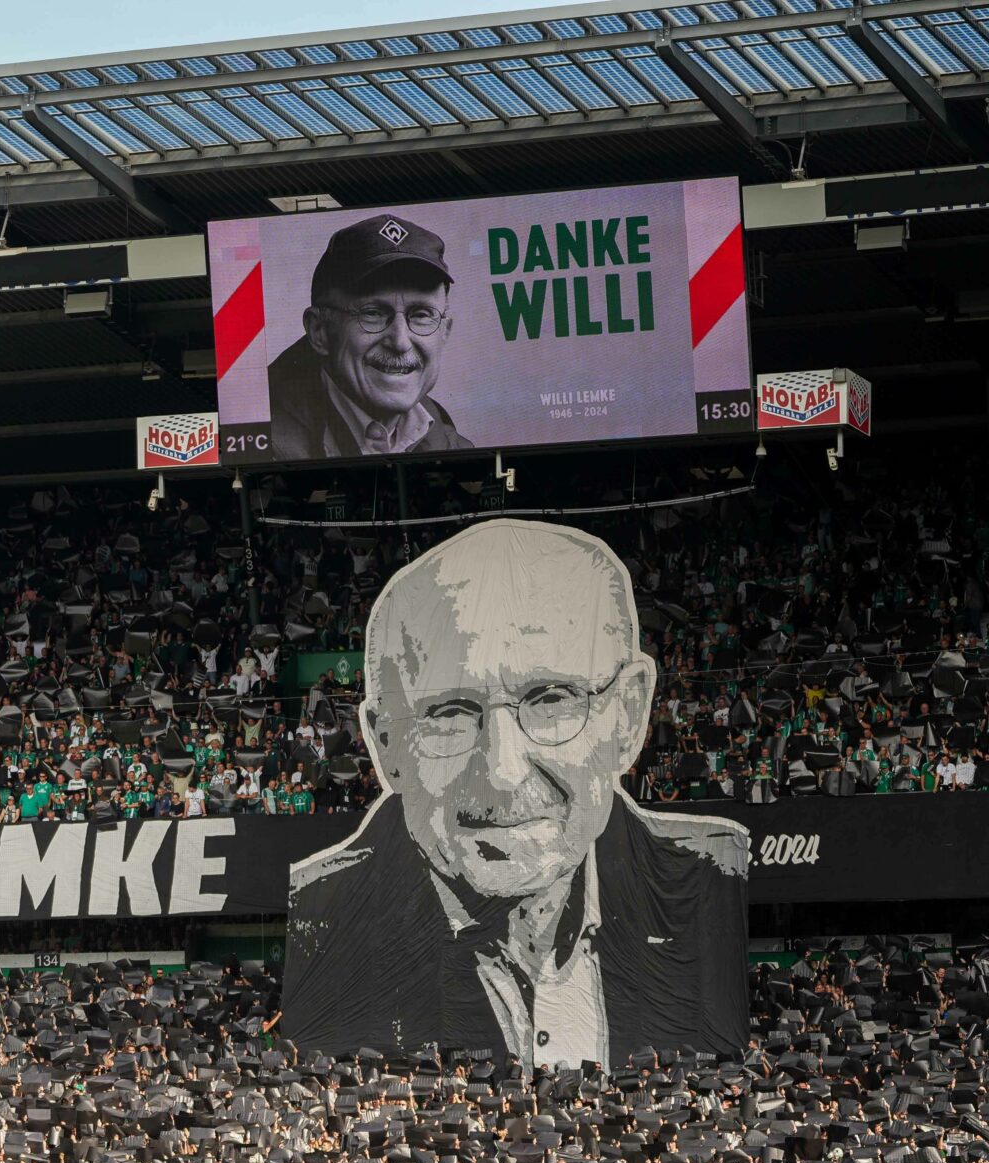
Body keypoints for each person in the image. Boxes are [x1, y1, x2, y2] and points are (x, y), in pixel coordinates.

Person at [284, 520, 748, 1066]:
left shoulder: (714, 879)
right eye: (449, 714)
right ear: (387, 745)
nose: (502, 770)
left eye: (552, 699)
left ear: (628, 715)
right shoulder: (318, 917)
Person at [266, 213, 475, 462]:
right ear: (319, 331)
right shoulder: (267, 452)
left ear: (444, 331)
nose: (400, 342)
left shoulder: (458, 451)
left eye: (421, 315)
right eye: (373, 314)